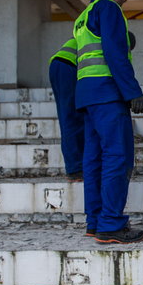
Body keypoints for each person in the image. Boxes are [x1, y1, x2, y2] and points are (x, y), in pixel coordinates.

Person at [74, 0, 143, 244]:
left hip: (87, 95)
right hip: (107, 94)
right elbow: (114, 52)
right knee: (118, 156)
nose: (122, 3)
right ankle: (111, 223)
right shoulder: (109, 7)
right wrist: (132, 91)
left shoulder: (83, 16)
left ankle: (95, 222)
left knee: (94, 161)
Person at [49, 37, 84, 181]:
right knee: (73, 117)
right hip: (68, 67)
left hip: (60, 66)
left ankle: (75, 167)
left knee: (68, 117)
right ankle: (75, 168)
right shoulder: (111, 36)